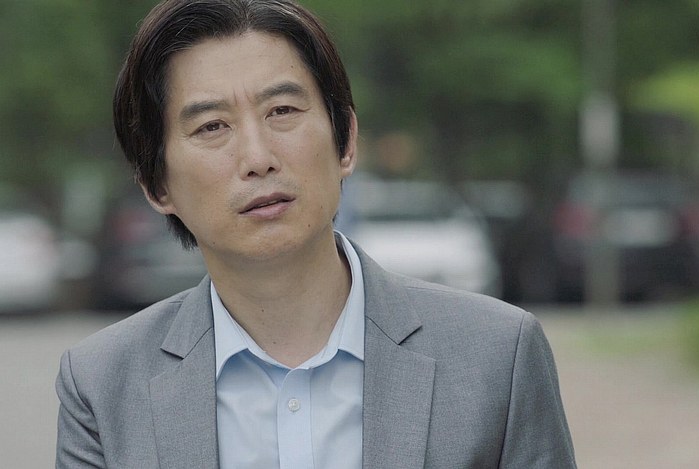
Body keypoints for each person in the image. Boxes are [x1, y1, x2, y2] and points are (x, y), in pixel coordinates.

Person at [55, 1, 576, 468]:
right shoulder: (102, 386)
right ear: (156, 184)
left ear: (345, 141)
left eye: (282, 111)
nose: (258, 158)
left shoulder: (497, 357)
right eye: (212, 126)